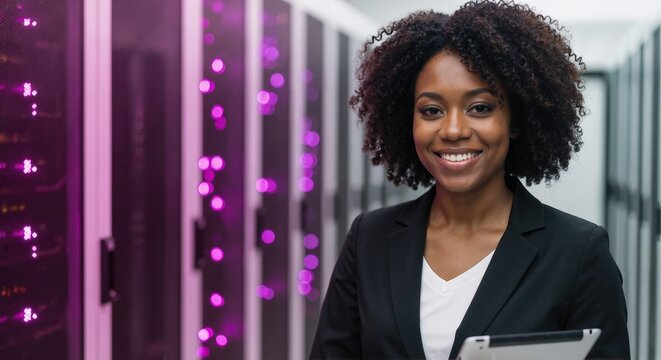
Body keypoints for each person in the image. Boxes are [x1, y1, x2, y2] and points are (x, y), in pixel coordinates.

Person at [309, 1, 630, 359]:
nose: (454, 130)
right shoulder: (369, 238)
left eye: (480, 108)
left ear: (517, 120)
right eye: (431, 111)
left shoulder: (578, 253)